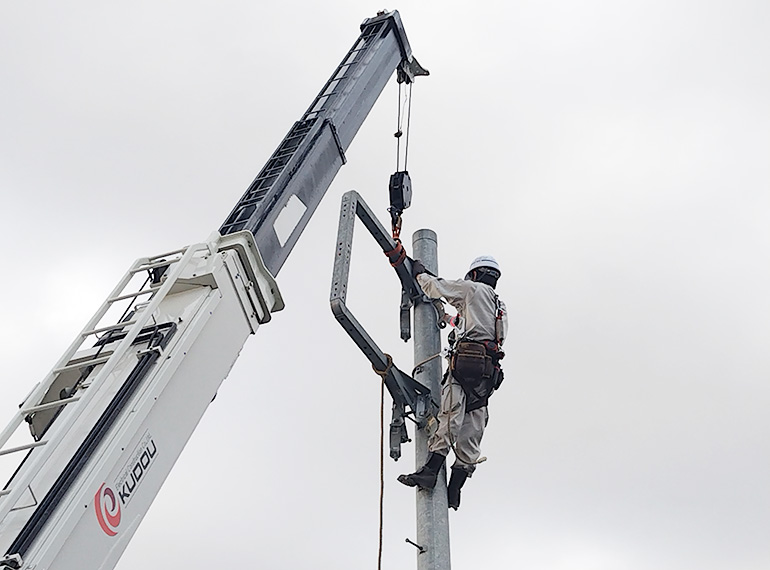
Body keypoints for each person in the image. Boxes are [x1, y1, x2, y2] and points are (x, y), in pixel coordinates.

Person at [398, 255, 508, 510]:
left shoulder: (471, 288)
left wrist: (419, 274)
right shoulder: (499, 306)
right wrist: (447, 318)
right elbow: (468, 323)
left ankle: (430, 470)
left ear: (475, 275)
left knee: (450, 415)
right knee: (473, 431)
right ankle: (455, 488)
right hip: (486, 374)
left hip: (466, 364)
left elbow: (435, 287)